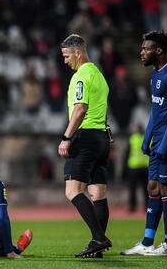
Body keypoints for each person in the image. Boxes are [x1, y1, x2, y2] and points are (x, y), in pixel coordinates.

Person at [121, 31, 167, 256]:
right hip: (158, 139)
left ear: (158, 50)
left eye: (145, 49)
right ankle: (147, 242)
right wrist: (147, 138)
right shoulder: (154, 74)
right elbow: (156, 111)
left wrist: (164, 144)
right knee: (152, 187)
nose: (141, 52)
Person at [58, 34, 112, 258]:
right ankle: (97, 245)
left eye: (67, 55)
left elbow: (80, 109)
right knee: (97, 193)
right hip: (101, 137)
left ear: (78, 53)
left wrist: (66, 137)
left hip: (85, 137)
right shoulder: (98, 75)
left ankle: (99, 238)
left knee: (72, 191)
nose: (65, 61)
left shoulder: (81, 76)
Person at [124, 124, 149, 213]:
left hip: (133, 166)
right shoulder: (146, 138)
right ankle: (147, 206)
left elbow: (126, 154)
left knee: (132, 188)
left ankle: (132, 207)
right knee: (145, 189)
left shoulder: (132, 139)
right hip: (144, 167)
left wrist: (124, 170)